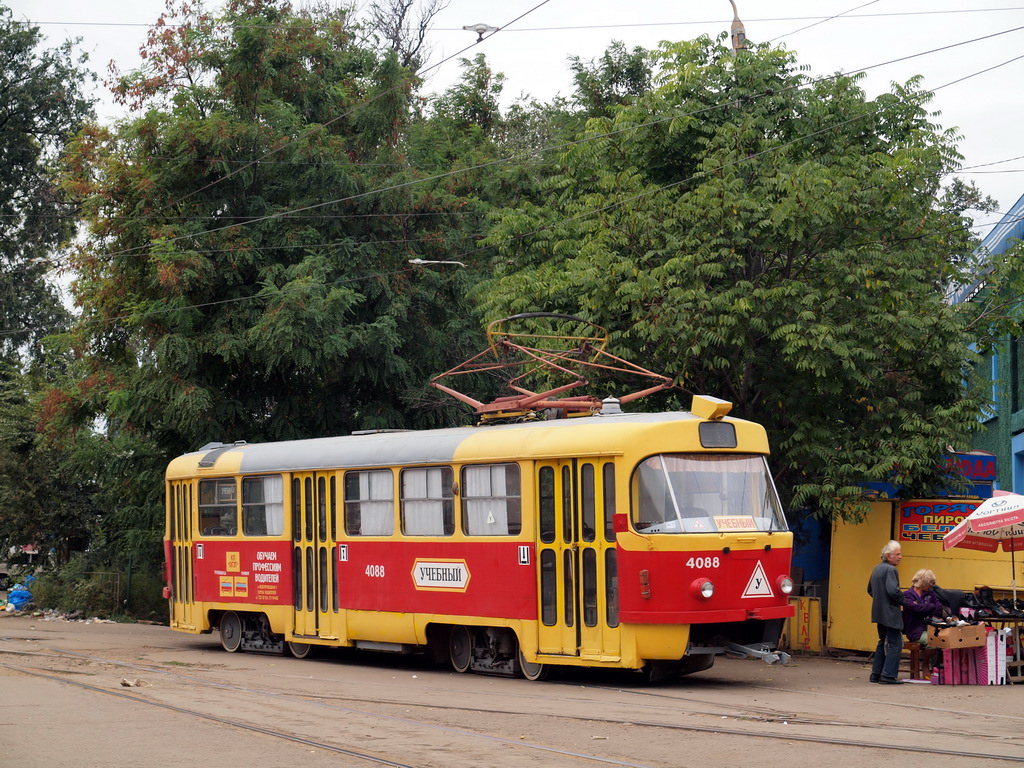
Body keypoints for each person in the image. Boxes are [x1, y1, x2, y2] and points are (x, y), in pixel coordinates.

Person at [867, 540, 905, 684]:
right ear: (889, 556)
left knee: (882, 641)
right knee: (895, 643)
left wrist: (880, 600)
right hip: (890, 612)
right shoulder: (891, 570)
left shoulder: (877, 568)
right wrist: (905, 601)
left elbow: (870, 589)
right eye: (898, 554)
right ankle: (888, 675)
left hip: (878, 611)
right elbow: (893, 591)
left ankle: (876, 674)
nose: (900, 557)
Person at [903, 569, 943, 644]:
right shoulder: (907, 595)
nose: (931, 586)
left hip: (932, 628)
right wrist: (931, 606)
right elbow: (915, 609)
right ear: (923, 583)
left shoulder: (930, 594)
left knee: (946, 640)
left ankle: (929, 655)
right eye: (929, 584)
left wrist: (922, 607)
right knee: (933, 642)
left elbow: (939, 609)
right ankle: (924, 656)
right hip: (915, 631)